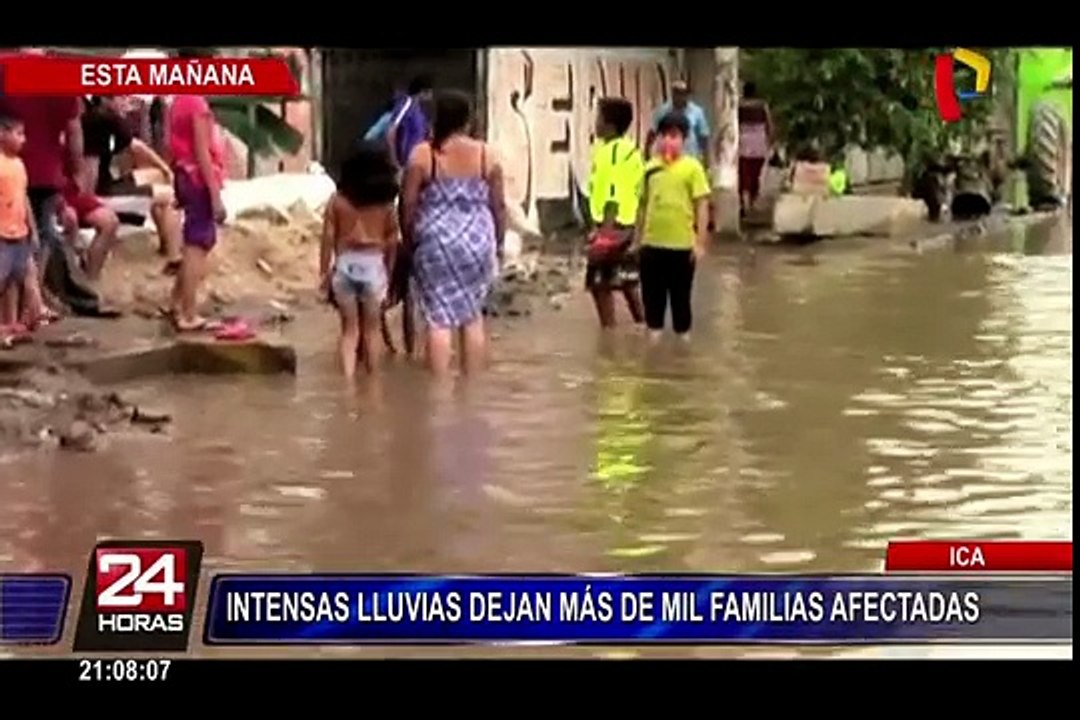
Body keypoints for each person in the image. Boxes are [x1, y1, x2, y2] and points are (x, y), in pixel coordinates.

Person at [401, 90, 506, 375]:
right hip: (477, 242)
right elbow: (498, 206)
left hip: (436, 243)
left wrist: (409, 240)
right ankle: (471, 388)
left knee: (439, 318)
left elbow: (408, 204)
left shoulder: (424, 154)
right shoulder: (488, 154)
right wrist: (497, 244)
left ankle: (440, 393)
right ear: (468, 119)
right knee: (472, 316)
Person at [0, 47, 82, 322]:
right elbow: (73, 131)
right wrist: (76, 172)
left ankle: (24, 307)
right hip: (46, 172)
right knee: (40, 239)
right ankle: (29, 306)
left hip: (9, 168)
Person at [320, 142, 401, 378]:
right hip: (374, 265)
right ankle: (373, 384)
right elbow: (392, 241)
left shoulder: (337, 201)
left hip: (345, 265)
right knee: (372, 331)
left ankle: (348, 384)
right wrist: (390, 270)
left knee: (349, 331)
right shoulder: (386, 205)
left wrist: (324, 272)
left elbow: (327, 238)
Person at [79, 95, 183, 272]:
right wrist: (166, 169)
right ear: (106, 100)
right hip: (102, 192)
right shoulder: (106, 119)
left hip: (104, 183)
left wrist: (165, 170)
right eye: (119, 98)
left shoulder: (93, 117)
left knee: (156, 177)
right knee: (169, 197)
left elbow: (134, 147)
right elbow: (136, 146)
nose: (125, 102)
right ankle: (175, 259)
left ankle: (166, 244)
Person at [164, 48, 228, 332]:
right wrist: (215, 196)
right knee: (197, 244)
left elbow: (172, 146)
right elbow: (202, 152)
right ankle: (188, 314)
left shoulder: (178, 101)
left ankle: (176, 303)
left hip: (184, 174)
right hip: (198, 177)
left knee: (198, 240)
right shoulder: (197, 104)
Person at [634, 112, 711, 343]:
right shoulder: (649, 168)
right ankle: (653, 351)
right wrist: (638, 241)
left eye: (675, 136)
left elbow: (702, 206)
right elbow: (642, 206)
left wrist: (700, 243)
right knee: (653, 304)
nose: (669, 141)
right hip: (652, 245)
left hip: (682, 247)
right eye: (664, 136)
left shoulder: (692, 168)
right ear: (657, 138)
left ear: (684, 139)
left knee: (681, 302)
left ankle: (682, 351)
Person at [585, 97, 645, 329]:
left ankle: (609, 332)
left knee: (600, 284)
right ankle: (643, 324)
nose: (595, 123)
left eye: (598, 118)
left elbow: (612, 194)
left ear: (609, 125)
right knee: (627, 278)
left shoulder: (611, 153)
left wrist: (602, 233)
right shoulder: (630, 150)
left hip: (612, 226)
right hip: (626, 225)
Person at [0, 114, 39, 337]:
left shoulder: (19, 165)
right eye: (18, 134)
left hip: (19, 233)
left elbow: (24, 199)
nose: (23, 139)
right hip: (2, 233)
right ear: (2, 135)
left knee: (15, 280)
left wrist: (32, 228)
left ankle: (10, 322)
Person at [647, 80, 711, 167]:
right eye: (676, 93)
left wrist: (706, 160)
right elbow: (652, 132)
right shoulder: (663, 111)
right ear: (673, 94)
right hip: (667, 159)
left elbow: (703, 137)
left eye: (682, 93)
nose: (679, 96)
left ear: (686, 95)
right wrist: (646, 152)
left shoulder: (696, 112)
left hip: (690, 158)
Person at [737, 81, 773, 217]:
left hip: (743, 141)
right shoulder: (762, 105)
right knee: (755, 173)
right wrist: (770, 141)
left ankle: (742, 202)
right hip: (758, 141)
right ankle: (751, 201)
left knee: (742, 173)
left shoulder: (739, 106)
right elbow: (769, 124)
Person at [386, 76, 434, 170]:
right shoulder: (406, 104)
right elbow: (391, 132)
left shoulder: (420, 110)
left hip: (417, 161)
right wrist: (395, 163)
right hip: (406, 162)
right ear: (423, 91)